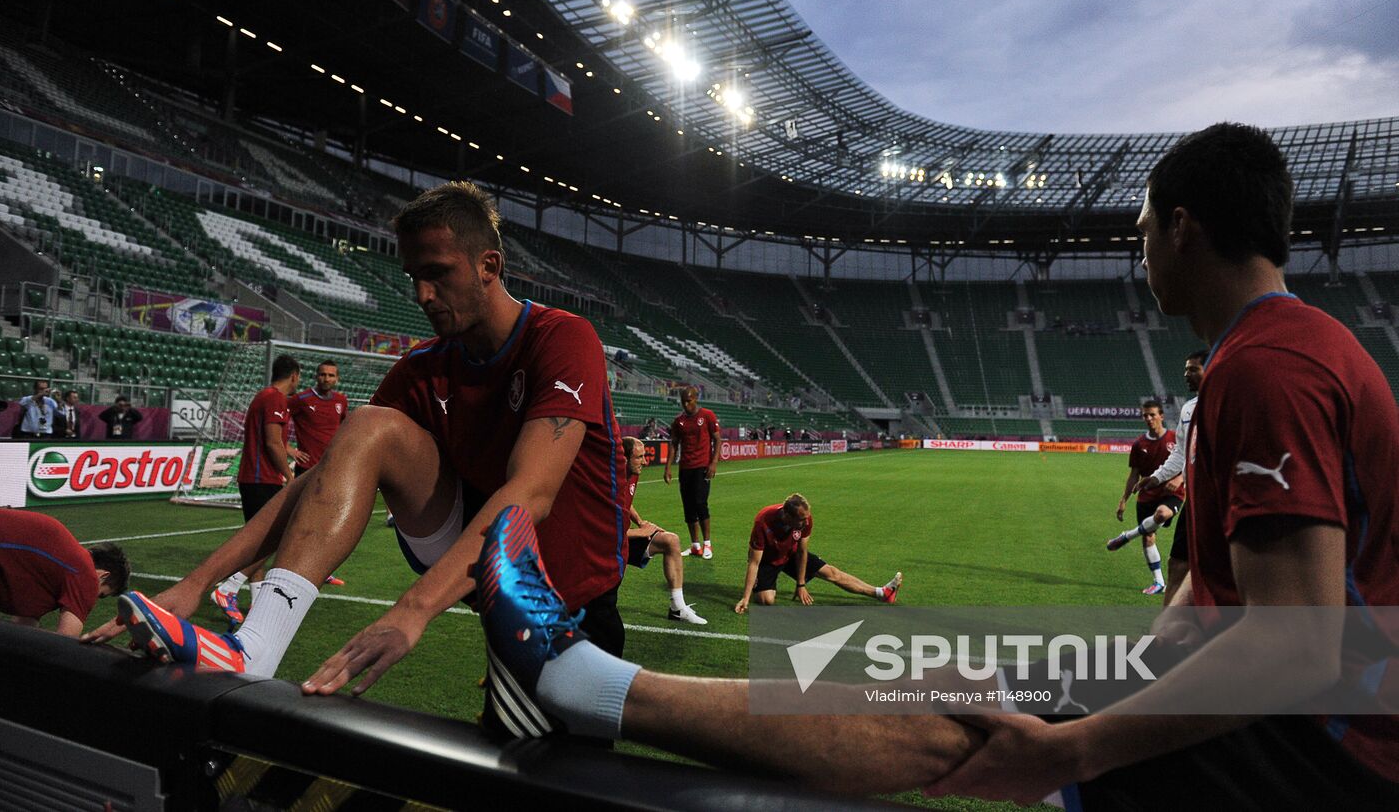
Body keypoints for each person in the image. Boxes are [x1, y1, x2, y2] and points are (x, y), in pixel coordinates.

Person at [471, 123, 1399, 806]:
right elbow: (1227, 600)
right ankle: (590, 684)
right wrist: (1123, 665)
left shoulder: (1272, 366)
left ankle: (578, 681)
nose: (1138, 248)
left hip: (1337, 751)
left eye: (1145, 227)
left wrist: (1074, 748)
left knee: (970, 727)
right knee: (964, 681)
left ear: (1185, 227)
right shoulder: (1277, 351)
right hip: (1316, 716)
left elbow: (1294, 646)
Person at [90, 182, 630, 741]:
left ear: (489, 264)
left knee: (549, 773)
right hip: (483, 561)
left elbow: (531, 494)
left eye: (438, 273)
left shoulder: (562, 336)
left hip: (569, 604)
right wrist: (196, 584)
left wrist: (413, 610)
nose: (422, 294)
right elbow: (323, 479)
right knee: (368, 426)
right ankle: (254, 648)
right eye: (412, 278)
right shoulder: (424, 366)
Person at [208, 355, 308, 628]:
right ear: (295, 375)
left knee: (261, 542)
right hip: (262, 478)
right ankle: (228, 588)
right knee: (271, 540)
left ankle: (255, 603)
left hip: (254, 477)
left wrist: (291, 451)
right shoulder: (275, 398)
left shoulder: (264, 396)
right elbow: (272, 443)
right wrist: (290, 477)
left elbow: (274, 441)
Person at [1108, 350, 1206, 603]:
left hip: (1223, 501)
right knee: (1178, 564)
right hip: (1195, 502)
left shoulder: (1232, 403)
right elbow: (1183, 454)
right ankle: (1168, 631)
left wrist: (1181, 479)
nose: (1186, 374)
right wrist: (1156, 477)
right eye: (1185, 369)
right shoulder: (1188, 410)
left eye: (1192, 369)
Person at [734, 493, 901, 612]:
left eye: (807, 517)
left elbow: (801, 552)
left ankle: (882, 593)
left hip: (791, 555)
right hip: (768, 560)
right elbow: (754, 562)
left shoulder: (805, 519)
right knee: (766, 600)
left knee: (832, 573)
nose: (806, 521)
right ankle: (759, 591)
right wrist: (745, 599)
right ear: (787, 516)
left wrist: (801, 584)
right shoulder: (763, 521)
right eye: (802, 519)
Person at [0, 509, 129, 637]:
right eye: (101, 594)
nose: (93, 599)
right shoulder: (86, 574)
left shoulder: (54, 570)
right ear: (103, 575)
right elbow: (65, 641)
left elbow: (24, 627)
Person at [619, 436, 705, 625]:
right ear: (623, 458)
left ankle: (677, 608)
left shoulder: (633, 473)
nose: (645, 461)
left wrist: (641, 522)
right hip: (606, 545)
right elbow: (603, 531)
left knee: (671, 541)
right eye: (639, 457)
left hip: (622, 538)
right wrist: (640, 533)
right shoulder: (609, 481)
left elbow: (625, 502)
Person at [1109, 399, 1185, 594]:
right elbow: (1134, 475)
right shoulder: (1139, 444)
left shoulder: (1175, 438)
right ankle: (1159, 582)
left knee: (1161, 514)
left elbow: (1187, 460)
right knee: (1149, 537)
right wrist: (1124, 500)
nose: (1149, 418)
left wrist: (1180, 479)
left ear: (1162, 416)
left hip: (1172, 493)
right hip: (1146, 496)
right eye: (1145, 415)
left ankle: (1128, 535)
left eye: (1152, 414)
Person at [285, 359, 348, 587]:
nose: (327, 379)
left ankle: (320, 569)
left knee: (328, 522)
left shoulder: (341, 401)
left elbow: (341, 430)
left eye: (331, 375)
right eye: (323, 375)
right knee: (301, 522)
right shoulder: (301, 399)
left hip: (331, 470)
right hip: (307, 470)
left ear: (337, 378)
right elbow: (276, 421)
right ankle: (292, 567)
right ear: (316, 376)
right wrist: (289, 448)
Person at [662, 386, 718, 558]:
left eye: (689, 400)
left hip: (702, 467)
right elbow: (674, 444)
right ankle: (695, 545)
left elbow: (717, 439)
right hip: (685, 468)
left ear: (696, 398)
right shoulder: (678, 421)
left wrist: (713, 462)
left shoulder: (707, 415)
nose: (686, 404)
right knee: (688, 507)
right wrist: (668, 467)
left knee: (701, 503)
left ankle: (707, 544)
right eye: (683, 401)